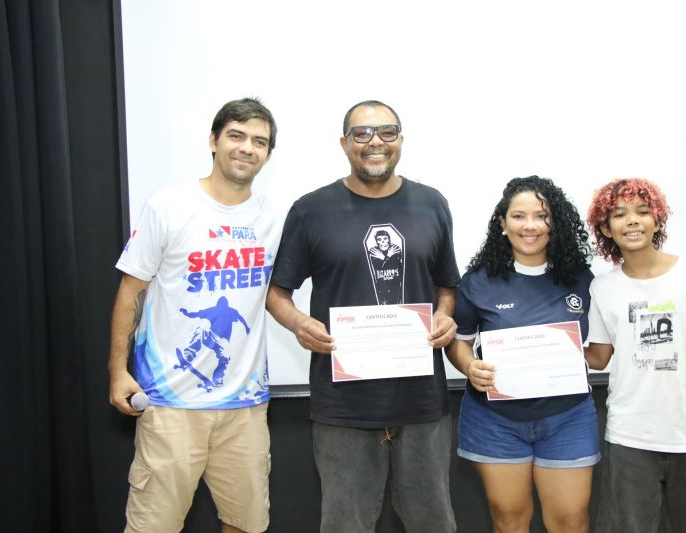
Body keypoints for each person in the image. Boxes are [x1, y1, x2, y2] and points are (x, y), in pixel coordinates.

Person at [266, 100, 460, 533]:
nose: (375, 142)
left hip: (421, 401)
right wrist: (299, 323)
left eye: (387, 132)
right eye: (362, 134)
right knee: (345, 524)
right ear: (344, 143)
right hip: (343, 404)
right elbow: (277, 294)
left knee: (433, 521)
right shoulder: (310, 210)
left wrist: (446, 317)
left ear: (401, 141)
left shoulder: (432, 204)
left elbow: (448, 286)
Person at [108, 97, 282, 533]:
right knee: (153, 526)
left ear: (267, 154)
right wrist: (117, 371)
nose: (247, 148)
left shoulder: (272, 218)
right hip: (171, 405)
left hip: (245, 407)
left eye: (259, 141)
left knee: (246, 523)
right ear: (214, 140)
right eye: (236, 136)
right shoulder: (167, 205)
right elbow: (131, 291)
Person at [584, 178, 686, 533]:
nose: (633, 221)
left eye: (642, 211)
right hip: (629, 436)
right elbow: (599, 356)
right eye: (620, 215)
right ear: (606, 229)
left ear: (657, 219)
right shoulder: (602, 287)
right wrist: (552, 346)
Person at [445, 176, 599, 533]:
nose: (530, 226)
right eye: (518, 216)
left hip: (567, 417)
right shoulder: (478, 281)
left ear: (555, 224)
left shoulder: (581, 279)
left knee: (570, 522)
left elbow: (598, 350)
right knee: (510, 521)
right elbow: (459, 341)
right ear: (502, 223)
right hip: (495, 420)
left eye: (541, 216)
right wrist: (469, 366)